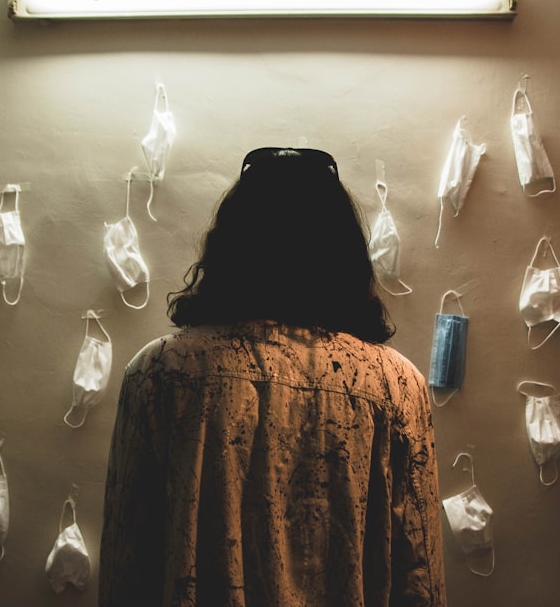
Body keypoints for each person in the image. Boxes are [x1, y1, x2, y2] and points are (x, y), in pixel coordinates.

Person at [99, 147, 446, 607]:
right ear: (342, 254)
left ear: (230, 249)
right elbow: (420, 576)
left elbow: (127, 565)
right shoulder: (395, 385)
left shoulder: (161, 373)